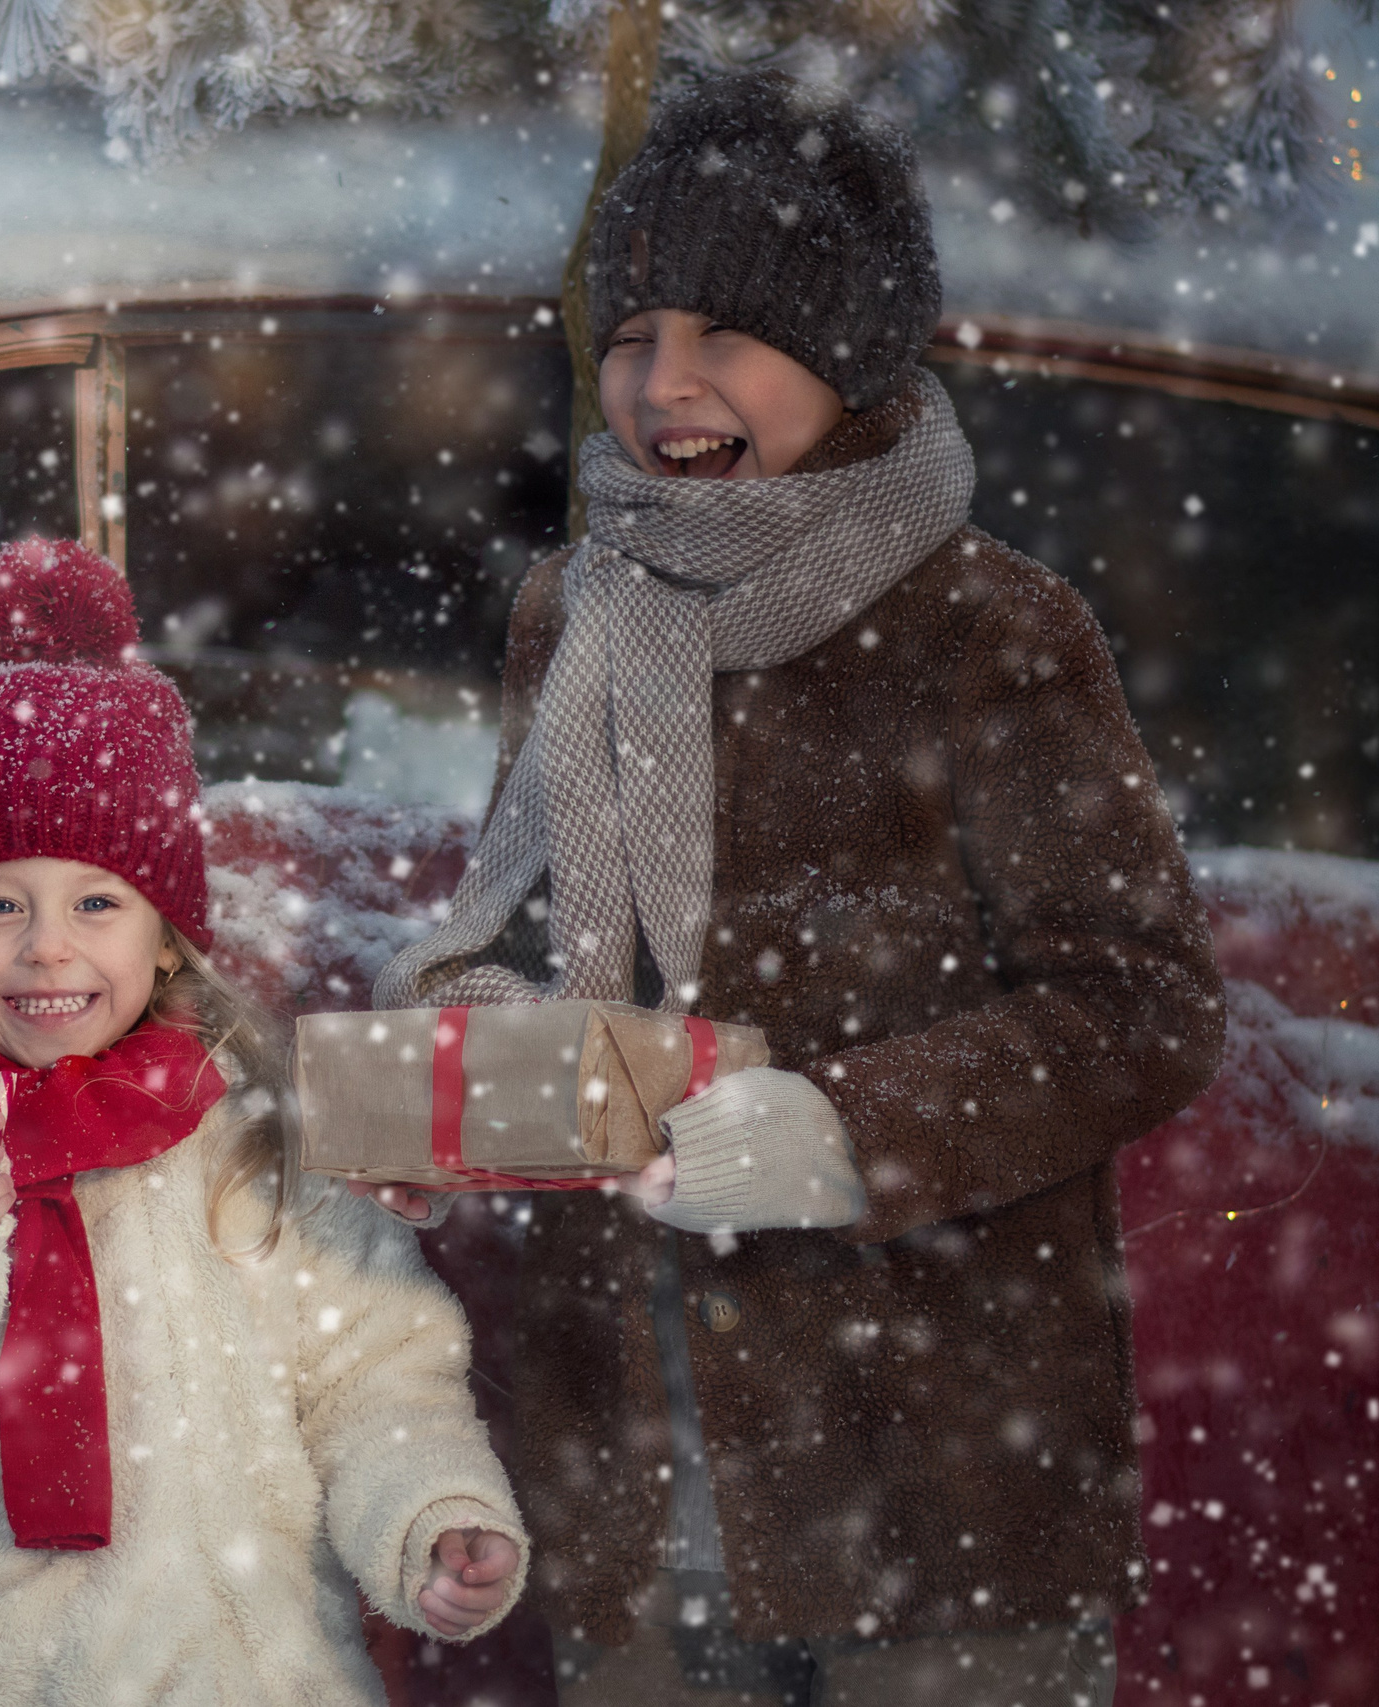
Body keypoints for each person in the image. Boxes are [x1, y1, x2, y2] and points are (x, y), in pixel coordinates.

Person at [371, 70, 1224, 1707]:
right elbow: (533, 931)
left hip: (936, 1486)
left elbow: (1141, 1005)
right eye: (631, 335)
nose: (664, 382)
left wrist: (846, 1126)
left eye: (724, 335)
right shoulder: (581, 606)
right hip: (634, 1462)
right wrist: (458, 1060)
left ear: (845, 356)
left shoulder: (995, 631)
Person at [0, 537, 526, 1704]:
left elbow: (376, 1376)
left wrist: (431, 1513)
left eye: (97, 902)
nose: (46, 946)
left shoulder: (248, 1145)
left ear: (166, 934)